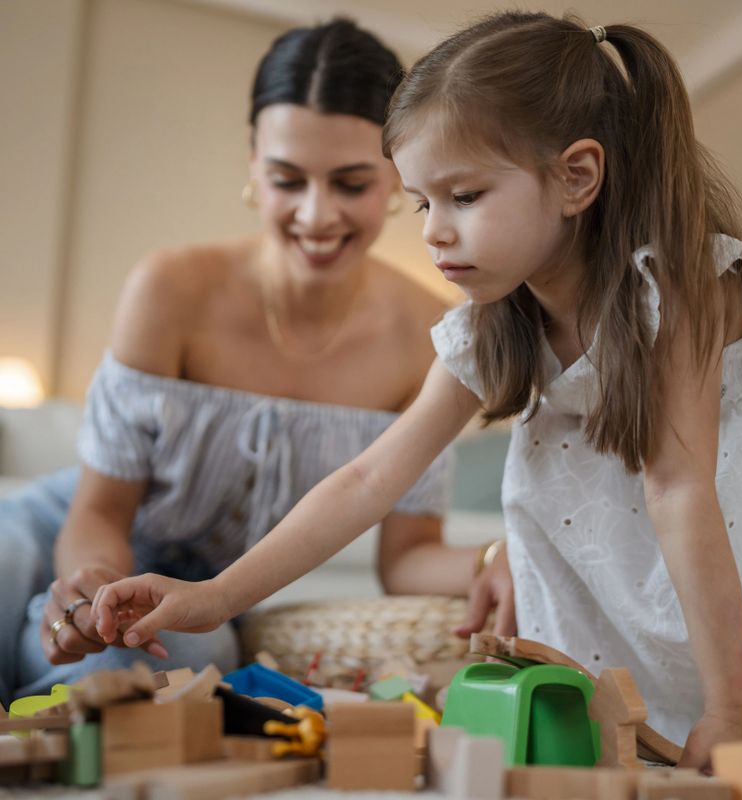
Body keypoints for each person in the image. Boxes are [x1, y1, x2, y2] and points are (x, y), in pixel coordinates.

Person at [93, 11, 742, 769]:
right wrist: (214, 596)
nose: (432, 231)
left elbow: (681, 490)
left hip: (733, 510)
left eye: (463, 196)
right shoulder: (490, 324)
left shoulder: (681, 289)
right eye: (423, 202)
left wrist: (731, 708)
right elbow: (368, 478)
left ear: (576, 176)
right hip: (652, 524)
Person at [0, 18, 518, 710]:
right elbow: (99, 509)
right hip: (75, 539)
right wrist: (93, 588)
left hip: (215, 592)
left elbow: (406, 559)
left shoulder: (429, 332)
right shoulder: (169, 289)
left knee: (188, 655)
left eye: (350, 182)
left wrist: (500, 557)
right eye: (287, 179)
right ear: (252, 162)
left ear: (397, 168)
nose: (316, 213)